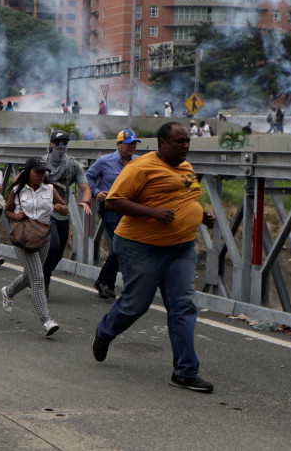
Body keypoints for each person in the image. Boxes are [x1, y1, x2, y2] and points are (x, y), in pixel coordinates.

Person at [92, 121, 217, 393]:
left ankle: (185, 372)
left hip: (181, 247)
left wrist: (201, 215)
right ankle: (105, 331)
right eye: (180, 142)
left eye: (187, 142)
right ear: (163, 143)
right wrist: (152, 213)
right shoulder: (140, 167)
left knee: (183, 306)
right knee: (136, 305)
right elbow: (112, 201)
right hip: (141, 245)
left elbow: (187, 196)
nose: (185, 146)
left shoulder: (186, 167)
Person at [0, 156, 68, 337]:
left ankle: (9, 291)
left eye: (43, 172)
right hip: (23, 237)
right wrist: (16, 216)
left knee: (29, 276)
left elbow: (64, 207)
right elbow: (6, 211)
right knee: (38, 278)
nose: (41, 175)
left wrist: (60, 208)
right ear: (28, 172)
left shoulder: (50, 189)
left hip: (43, 237)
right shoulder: (17, 190)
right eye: (37, 171)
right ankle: (46, 321)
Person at [86, 130, 141, 299]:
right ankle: (110, 283)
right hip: (110, 208)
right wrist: (96, 192)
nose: (131, 147)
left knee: (120, 245)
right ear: (118, 144)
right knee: (120, 243)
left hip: (130, 209)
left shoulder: (140, 162)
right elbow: (88, 176)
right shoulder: (104, 161)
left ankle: (104, 282)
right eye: (128, 143)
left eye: (134, 144)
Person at [40, 130, 92, 297]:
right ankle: (43, 279)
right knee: (53, 245)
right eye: (57, 143)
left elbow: (85, 187)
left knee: (60, 250)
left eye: (64, 143)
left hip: (62, 211)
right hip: (43, 211)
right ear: (50, 144)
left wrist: (85, 201)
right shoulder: (40, 163)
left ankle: (41, 274)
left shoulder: (72, 165)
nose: (61, 147)